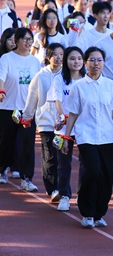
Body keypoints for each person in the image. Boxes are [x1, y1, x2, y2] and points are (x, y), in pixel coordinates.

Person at [62, 46, 113, 228]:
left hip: (108, 137)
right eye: (92, 60)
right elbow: (73, 114)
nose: (96, 64)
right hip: (86, 136)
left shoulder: (110, 85)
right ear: (86, 63)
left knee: (106, 176)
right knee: (92, 172)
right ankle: (87, 212)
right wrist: (66, 138)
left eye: (99, 60)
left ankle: (99, 213)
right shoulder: (78, 87)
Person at [21, 43, 65, 202]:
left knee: (62, 156)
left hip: (63, 125)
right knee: (49, 155)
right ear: (48, 57)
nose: (59, 58)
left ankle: (62, 188)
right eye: (55, 54)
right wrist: (27, 117)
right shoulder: (40, 76)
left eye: (61, 54)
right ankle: (53, 188)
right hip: (46, 123)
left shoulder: (67, 76)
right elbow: (32, 99)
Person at [0, 28, 42, 189]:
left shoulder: (34, 62)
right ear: (17, 41)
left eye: (30, 39)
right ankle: (2, 169)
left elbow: (38, 84)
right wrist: (1, 91)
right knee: (6, 142)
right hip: (8, 107)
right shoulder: (6, 58)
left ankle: (26, 178)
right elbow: (1, 78)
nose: (28, 42)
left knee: (27, 145)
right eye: (24, 39)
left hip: (27, 110)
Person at [47, 46, 85, 211]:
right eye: (72, 58)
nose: (76, 62)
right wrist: (64, 117)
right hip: (64, 128)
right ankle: (64, 196)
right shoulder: (59, 79)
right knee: (63, 164)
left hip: (84, 127)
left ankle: (83, 196)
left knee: (86, 163)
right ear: (65, 61)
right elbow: (58, 101)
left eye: (79, 58)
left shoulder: (87, 79)